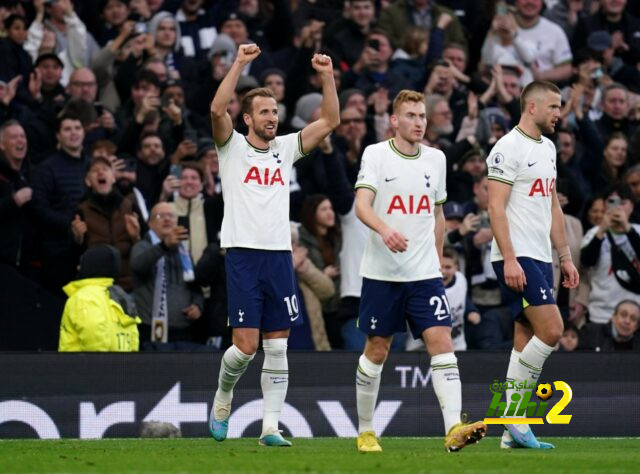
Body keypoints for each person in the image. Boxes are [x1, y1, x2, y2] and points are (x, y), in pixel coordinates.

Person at [208, 44, 339, 447]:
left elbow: (331, 119)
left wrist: (328, 75)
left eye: (274, 111)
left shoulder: (285, 149)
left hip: (280, 256)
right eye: (264, 111)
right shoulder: (231, 147)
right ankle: (224, 395)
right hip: (243, 255)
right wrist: (239, 64)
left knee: (278, 347)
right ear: (247, 118)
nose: (272, 117)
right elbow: (216, 111)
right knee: (245, 348)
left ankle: (269, 428)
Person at [353, 89, 486, 453]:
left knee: (442, 342)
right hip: (383, 273)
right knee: (377, 349)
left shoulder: (437, 159)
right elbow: (361, 206)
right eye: (410, 115)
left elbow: (438, 216)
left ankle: (454, 427)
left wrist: (438, 260)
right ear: (394, 121)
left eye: (422, 116)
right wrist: (384, 229)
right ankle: (366, 430)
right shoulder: (376, 155)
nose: (418, 122)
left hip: (425, 274)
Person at [486, 80, 580, 449]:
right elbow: (495, 207)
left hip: (540, 256)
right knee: (553, 330)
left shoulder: (549, 148)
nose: (560, 113)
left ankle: (511, 433)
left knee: (524, 339)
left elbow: (552, 204)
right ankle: (515, 417)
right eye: (554, 107)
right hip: (516, 255)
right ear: (532, 108)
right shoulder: (507, 147)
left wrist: (565, 256)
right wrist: (509, 258)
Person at [58, 245, 141, 352]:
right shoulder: (122, 296)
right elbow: (133, 340)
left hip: (84, 367)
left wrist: (100, 366)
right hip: (121, 367)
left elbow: (93, 336)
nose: (78, 267)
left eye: (82, 263)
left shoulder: (84, 297)